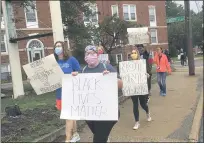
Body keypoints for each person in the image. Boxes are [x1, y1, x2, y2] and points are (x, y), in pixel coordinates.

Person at [73, 45, 123, 143]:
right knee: (99, 135)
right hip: (91, 113)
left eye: (93, 53)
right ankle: (105, 138)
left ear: (97, 55)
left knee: (98, 139)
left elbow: (121, 85)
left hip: (107, 112)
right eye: (88, 54)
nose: (90, 55)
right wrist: (73, 78)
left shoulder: (106, 67)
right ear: (85, 56)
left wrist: (111, 78)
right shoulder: (82, 71)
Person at [54, 41, 81, 143]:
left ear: (64, 48)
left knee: (68, 116)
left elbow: (80, 71)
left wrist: (76, 73)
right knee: (70, 115)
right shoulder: (54, 62)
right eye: (56, 46)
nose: (58, 48)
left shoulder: (71, 60)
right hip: (59, 93)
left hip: (70, 92)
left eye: (59, 46)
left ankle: (67, 139)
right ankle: (75, 134)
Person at [130, 48, 152, 130]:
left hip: (141, 87)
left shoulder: (141, 63)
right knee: (135, 104)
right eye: (132, 53)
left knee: (143, 104)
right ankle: (137, 122)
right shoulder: (128, 64)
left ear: (138, 54)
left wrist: (146, 74)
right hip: (133, 87)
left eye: (135, 52)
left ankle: (147, 112)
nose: (133, 54)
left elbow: (145, 72)